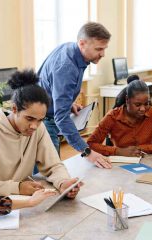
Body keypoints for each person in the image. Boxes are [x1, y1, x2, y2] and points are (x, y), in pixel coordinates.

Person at [0, 69, 82, 198]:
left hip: (23, 202)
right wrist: (17, 187)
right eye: (29, 119)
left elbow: (53, 165)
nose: (34, 126)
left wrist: (63, 182)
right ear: (14, 109)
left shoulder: (38, 128)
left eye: (40, 120)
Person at [38, 22, 112, 169]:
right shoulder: (66, 67)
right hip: (42, 121)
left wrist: (67, 104)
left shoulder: (72, 50)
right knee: (49, 172)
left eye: (104, 49)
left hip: (46, 113)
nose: (103, 54)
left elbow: (51, 84)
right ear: (82, 43)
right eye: (99, 49)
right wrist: (87, 152)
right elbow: (61, 117)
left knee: (50, 172)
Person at [87, 79, 152, 156]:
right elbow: (91, 144)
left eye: (146, 104)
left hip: (146, 159)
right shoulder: (112, 116)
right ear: (127, 100)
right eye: (137, 105)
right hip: (120, 162)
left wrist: (140, 149)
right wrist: (118, 151)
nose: (143, 109)